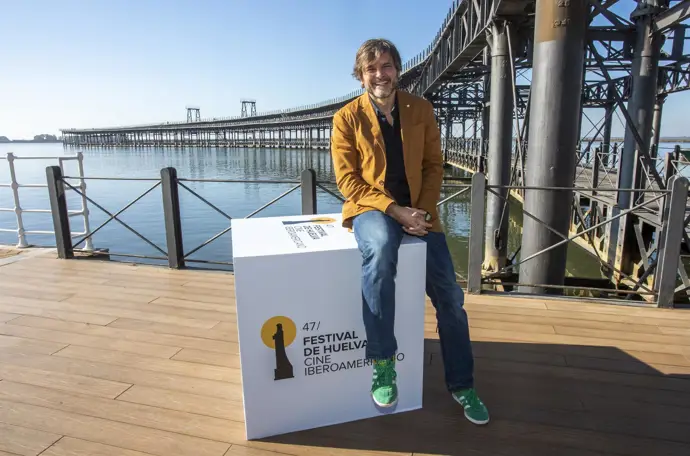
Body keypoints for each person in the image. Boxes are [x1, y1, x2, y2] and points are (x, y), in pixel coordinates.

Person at [330, 38, 489, 425]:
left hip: (419, 210)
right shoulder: (346, 118)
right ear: (361, 76)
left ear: (398, 70)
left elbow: (434, 165)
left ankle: (463, 384)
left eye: (386, 66)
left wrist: (423, 212)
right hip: (373, 207)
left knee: (450, 296)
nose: (380, 74)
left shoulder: (421, 109)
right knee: (381, 249)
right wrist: (396, 211)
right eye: (371, 69)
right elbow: (348, 182)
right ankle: (383, 362)